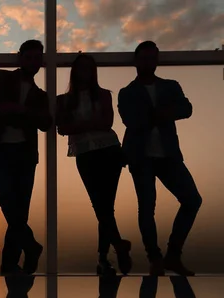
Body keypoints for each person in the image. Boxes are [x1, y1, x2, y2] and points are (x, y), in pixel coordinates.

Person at [118, 41, 202, 276]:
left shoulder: (170, 86)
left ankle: (173, 255)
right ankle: (155, 258)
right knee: (146, 208)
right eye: (144, 58)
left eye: (151, 58)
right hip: (140, 156)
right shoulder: (127, 93)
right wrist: (163, 114)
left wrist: (159, 114)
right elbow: (131, 121)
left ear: (157, 60)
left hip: (168, 155)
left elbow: (186, 108)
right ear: (136, 61)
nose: (148, 62)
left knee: (192, 200)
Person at [0, 40, 52, 275]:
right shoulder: (2, 77)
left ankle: (9, 264)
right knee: (6, 200)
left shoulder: (41, 95)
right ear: (20, 58)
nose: (32, 62)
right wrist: (28, 114)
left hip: (25, 154)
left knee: (19, 211)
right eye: (28, 57)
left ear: (41, 61)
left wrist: (19, 110)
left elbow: (46, 123)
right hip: (0, 148)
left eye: (37, 58)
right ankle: (30, 246)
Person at [56, 54, 132, 275]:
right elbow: (64, 129)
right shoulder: (63, 100)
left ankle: (104, 258)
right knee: (101, 206)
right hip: (85, 153)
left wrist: (79, 124)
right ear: (75, 71)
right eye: (81, 68)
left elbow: (107, 123)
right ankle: (116, 247)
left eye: (89, 68)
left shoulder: (103, 95)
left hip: (109, 151)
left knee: (104, 207)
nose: (85, 73)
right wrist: (90, 123)